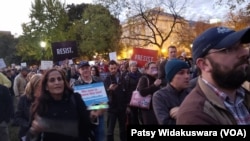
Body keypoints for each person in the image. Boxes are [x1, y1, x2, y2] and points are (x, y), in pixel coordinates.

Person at [176, 26, 250, 124]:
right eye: (229, 49)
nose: (246, 52)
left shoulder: (243, 94)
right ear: (204, 64)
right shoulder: (194, 115)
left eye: (242, 45)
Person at [26, 68, 94, 141]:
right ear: (46, 87)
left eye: (59, 79)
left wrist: (93, 115)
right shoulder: (40, 106)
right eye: (52, 80)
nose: (57, 82)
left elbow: (86, 126)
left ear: (64, 82)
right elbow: (30, 136)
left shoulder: (75, 99)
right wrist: (34, 130)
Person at [73, 61, 106, 141]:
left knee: (100, 138)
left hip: (99, 116)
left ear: (90, 68)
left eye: (87, 68)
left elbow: (104, 101)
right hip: (84, 118)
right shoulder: (76, 84)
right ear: (79, 71)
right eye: (82, 69)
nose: (85, 70)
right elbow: (75, 104)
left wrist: (97, 113)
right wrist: (88, 113)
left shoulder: (98, 81)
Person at [152, 59, 191, 125]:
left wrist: (183, 112)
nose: (187, 76)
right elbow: (165, 123)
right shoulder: (159, 96)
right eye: (181, 73)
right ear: (171, 76)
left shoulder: (192, 93)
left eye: (188, 72)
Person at [14, 74, 42, 141]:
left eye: (43, 86)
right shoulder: (24, 99)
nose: (41, 88)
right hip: (27, 133)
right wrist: (29, 125)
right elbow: (17, 117)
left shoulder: (47, 99)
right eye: (38, 86)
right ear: (33, 86)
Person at [104, 60, 127, 141]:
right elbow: (104, 94)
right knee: (110, 130)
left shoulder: (122, 78)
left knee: (123, 128)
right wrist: (109, 89)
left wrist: (126, 105)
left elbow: (126, 92)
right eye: (111, 68)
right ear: (109, 69)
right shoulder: (106, 79)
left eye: (114, 68)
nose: (113, 70)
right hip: (112, 108)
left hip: (121, 108)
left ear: (117, 67)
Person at [124, 61, 142, 125]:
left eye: (135, 66)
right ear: (129, 68)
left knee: (142, 115)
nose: (134, 67)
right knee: (134, 116)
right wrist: (127, 103)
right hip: (132, 98)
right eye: (132, 66)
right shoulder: (127, 77)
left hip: (141, 97)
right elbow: (126, 90)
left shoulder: (140, 75)